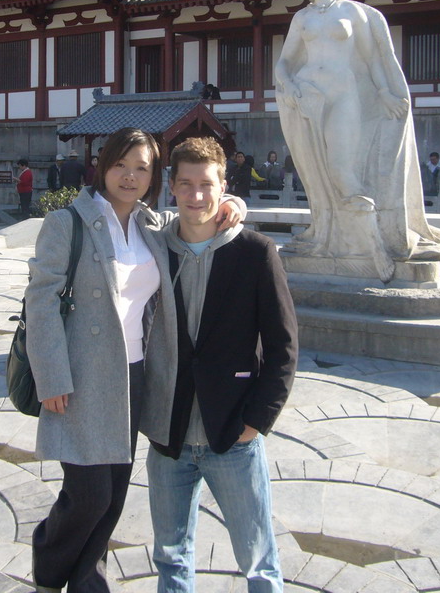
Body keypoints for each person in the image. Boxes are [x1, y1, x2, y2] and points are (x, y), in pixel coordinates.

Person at [24, 128, 245, 593]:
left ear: (153, 176)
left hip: (135, 375)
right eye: (121, 165)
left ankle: (88, 581)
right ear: (103, 166)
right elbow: (40, 302)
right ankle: (49, 562)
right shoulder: (68, 222)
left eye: (141, 168)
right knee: (89, 495)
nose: (130, 176)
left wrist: (233, 206)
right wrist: (51, 376)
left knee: (115, 495)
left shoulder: (150, 227)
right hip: (80, 376)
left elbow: (197, 216)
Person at [142, 137, 297, 593]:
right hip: (167, 434)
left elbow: (283, 346)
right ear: (171, 186)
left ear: (223, 186)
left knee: (257, 558)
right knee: (170, 555)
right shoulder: (154, 248)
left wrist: (256, 421)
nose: (196, 196)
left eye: (206, 184)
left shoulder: (255, 253)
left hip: (231, 433)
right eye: (185, 184)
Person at [274, 0, 440, 281]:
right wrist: (289, 86)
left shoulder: (354, 13)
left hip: (344, 94)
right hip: (310, 95)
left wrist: (384, 91)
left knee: (342, 168)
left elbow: (372, 59)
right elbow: (284, 61)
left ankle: (373, 243)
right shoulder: (302, 17)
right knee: (317, 169)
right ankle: (335, 233)